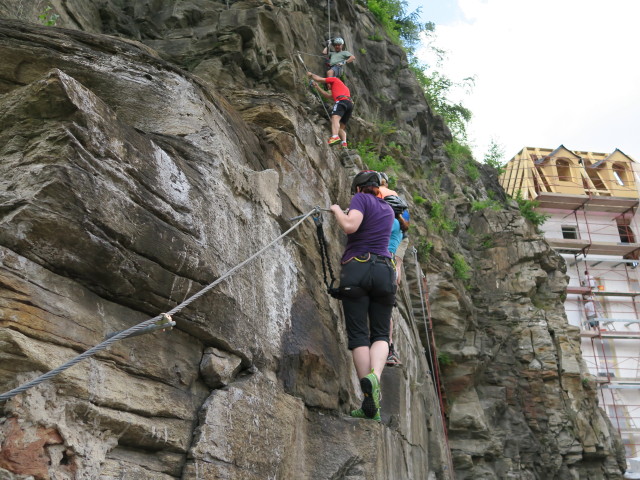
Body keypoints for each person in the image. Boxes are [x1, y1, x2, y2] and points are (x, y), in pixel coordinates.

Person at [330, 170, 396, 421]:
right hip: (384, 271)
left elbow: (351, 226)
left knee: (359, 334)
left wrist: (337, 209)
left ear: (358, 188)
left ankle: (367, 396)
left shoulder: (361, 199)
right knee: (380, 333)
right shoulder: (388, 210)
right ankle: (375, 380)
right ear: (378, 187)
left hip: (358, 267)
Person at [383, 195, 409, 367]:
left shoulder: (390, 222)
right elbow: (398, 263)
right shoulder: (401, 228)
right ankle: (389, 348)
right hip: (391, 268)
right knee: (387, 310)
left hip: (379, 264)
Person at [307, 71, 353, 147]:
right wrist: (317, 87)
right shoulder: (342, 88)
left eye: (327, 84)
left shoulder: (334, 80)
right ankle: (344, 143)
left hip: (341, 101)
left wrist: (311, 74)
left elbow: (319, 79)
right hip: (349, 104)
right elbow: (327, 95)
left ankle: (334, 137)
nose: (328, 87)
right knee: (341, 127)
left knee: (335, 118)